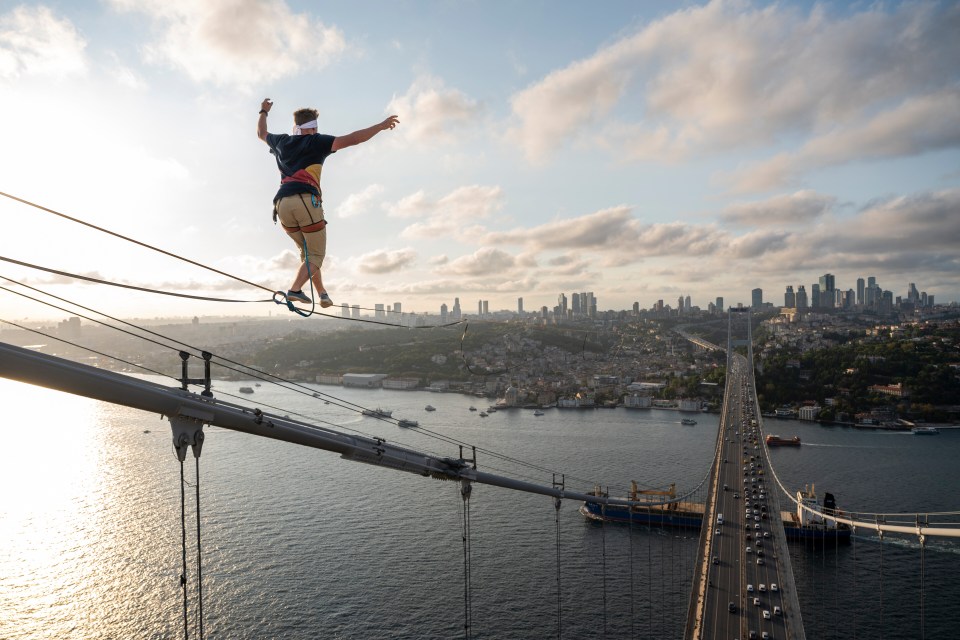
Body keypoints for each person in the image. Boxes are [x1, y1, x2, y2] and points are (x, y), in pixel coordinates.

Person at [257, 98, 398, 307]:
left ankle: (322, 293)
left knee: (308, 254)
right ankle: (294, 290)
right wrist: (380, 126)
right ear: (312, 127)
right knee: (315, 255)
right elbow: (353, 139)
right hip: (305, 201)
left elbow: (261, 134)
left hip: (281, 206)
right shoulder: (316, 141)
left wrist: (263, 111)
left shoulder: (282, 141)